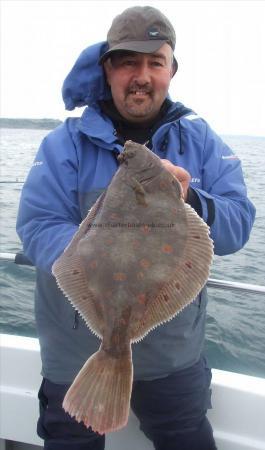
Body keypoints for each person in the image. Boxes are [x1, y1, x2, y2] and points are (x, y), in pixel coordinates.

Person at [16, 5, 255, 450]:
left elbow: (239, 224)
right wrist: (98, 253)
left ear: (171, 71)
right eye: (128, 62)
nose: (142, 75)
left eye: (155, 62)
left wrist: (188, 199)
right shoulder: (62, 145)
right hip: (76, 357)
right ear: (107, 69)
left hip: (173, 360)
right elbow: (36, 226)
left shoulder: (201, 141)